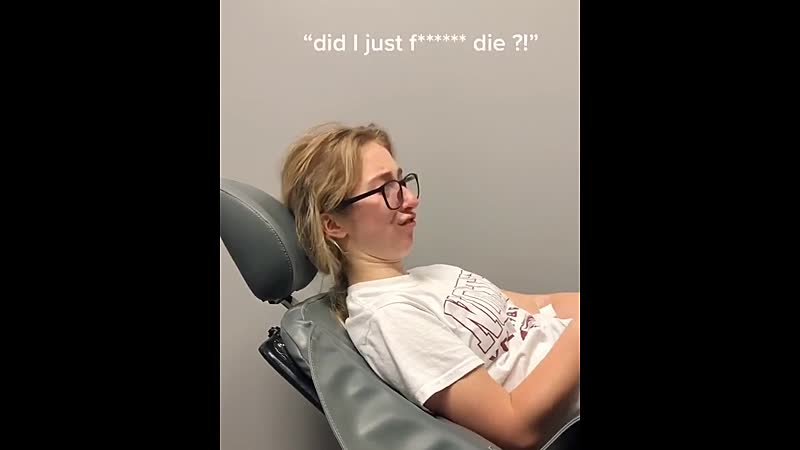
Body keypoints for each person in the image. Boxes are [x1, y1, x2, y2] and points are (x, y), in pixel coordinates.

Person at [280, 122, 579, 450]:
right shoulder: (389, 318)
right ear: (333, 224)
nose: (410, 199)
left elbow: (537, 307)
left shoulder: (434, 276)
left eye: (401, 182)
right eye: (385, 189)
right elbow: (514, 426)